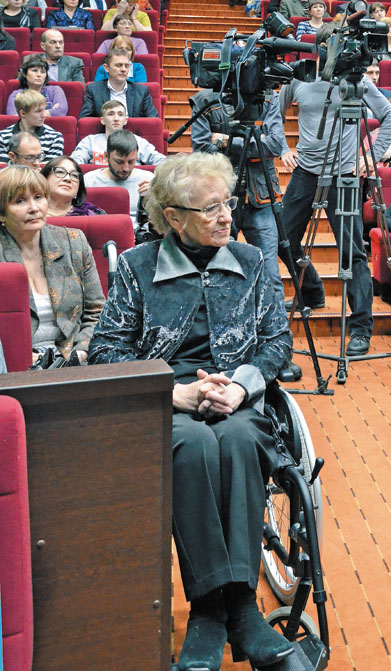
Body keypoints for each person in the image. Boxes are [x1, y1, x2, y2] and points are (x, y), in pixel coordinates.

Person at [87, 152, 294, 671]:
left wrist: (242, 389)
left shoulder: (251, 263)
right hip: (169, 400)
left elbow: (276, 344)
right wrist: (170, 391)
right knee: (196, 443)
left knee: (241, 440)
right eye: (210, 209)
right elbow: (107, 348)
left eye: (228, 203)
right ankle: (208, 609)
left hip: (236, 395)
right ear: (173, 217)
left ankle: (242, 606)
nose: (227, 216)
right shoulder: (137, 267)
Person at [278, 62, 391, 355]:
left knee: (352, 252)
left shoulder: (355, 81)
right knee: (284, 240)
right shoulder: (299, 76)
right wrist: (282, 147)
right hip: (305, 172)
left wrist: (371, 157)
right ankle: (313, 291)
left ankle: (360, 328)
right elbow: (273, 114)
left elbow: (389, 116)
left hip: (344, 175)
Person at [189, 88, 292, 303]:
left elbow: (274, 144)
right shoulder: (205, 101)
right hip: (220, 199)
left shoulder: (268, 96)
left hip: (261, 198)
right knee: (217, 271)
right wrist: (255, 141)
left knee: (270, 274)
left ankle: (276, 333)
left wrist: (224, 141)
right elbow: (201, 149)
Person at [0, 164, 104, 364]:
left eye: (39, 197)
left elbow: (96, 310)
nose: (34, 208)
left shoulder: (74, 242)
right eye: (20, 201)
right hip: (14, 366)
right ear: (2, 214)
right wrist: (19, 356)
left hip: (75, 360)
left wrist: (81, 350)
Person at [84, 130, 154, 226]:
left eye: (131, 162)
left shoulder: (149, 179)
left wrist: (154, 198)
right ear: (106, 156)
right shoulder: (89, 180)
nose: (126, 168)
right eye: (119, 162)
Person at [72, 100, 165, 167]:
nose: (116, 118)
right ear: (103, 120)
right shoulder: (90, 141)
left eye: (120, 114)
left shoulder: (137, 141)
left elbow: (160, 160)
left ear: (125, 120)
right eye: (111, 114)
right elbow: (74, 162)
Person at [79, 49, 158, 118]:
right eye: (119, 65)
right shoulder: (94, 90)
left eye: (126, 66)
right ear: (106, 68)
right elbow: (85, 120)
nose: (123, 69)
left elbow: (154, 121)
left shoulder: (142, 91)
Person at [0, 91, 64, 162]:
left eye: (44, 110)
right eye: (38, 111)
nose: (44, 115)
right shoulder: (2, 137)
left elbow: (49, 170)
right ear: (23, 113)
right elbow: (3, 170)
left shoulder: (55, 137)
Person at [41, 156, 105, 218]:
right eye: (60, 172)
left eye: (74, 175)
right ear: (45, 178)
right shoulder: (32, 212)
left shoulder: (93, 214)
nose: (68, 179)